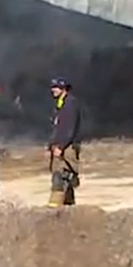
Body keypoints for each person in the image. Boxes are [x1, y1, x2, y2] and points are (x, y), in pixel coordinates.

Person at [46, 77, 83, 207]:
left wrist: (61, 147)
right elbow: (57, 127)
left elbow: (69, 128)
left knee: (61, 177)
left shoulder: (70, 104)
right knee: (65, 177)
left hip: (66, 147)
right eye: (52, 87)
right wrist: (50, 145)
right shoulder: (60, 103)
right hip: (59, 146)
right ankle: (69, 208)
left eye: (56, 87)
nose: (53, 90)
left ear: (64, 88)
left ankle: (54, 208)